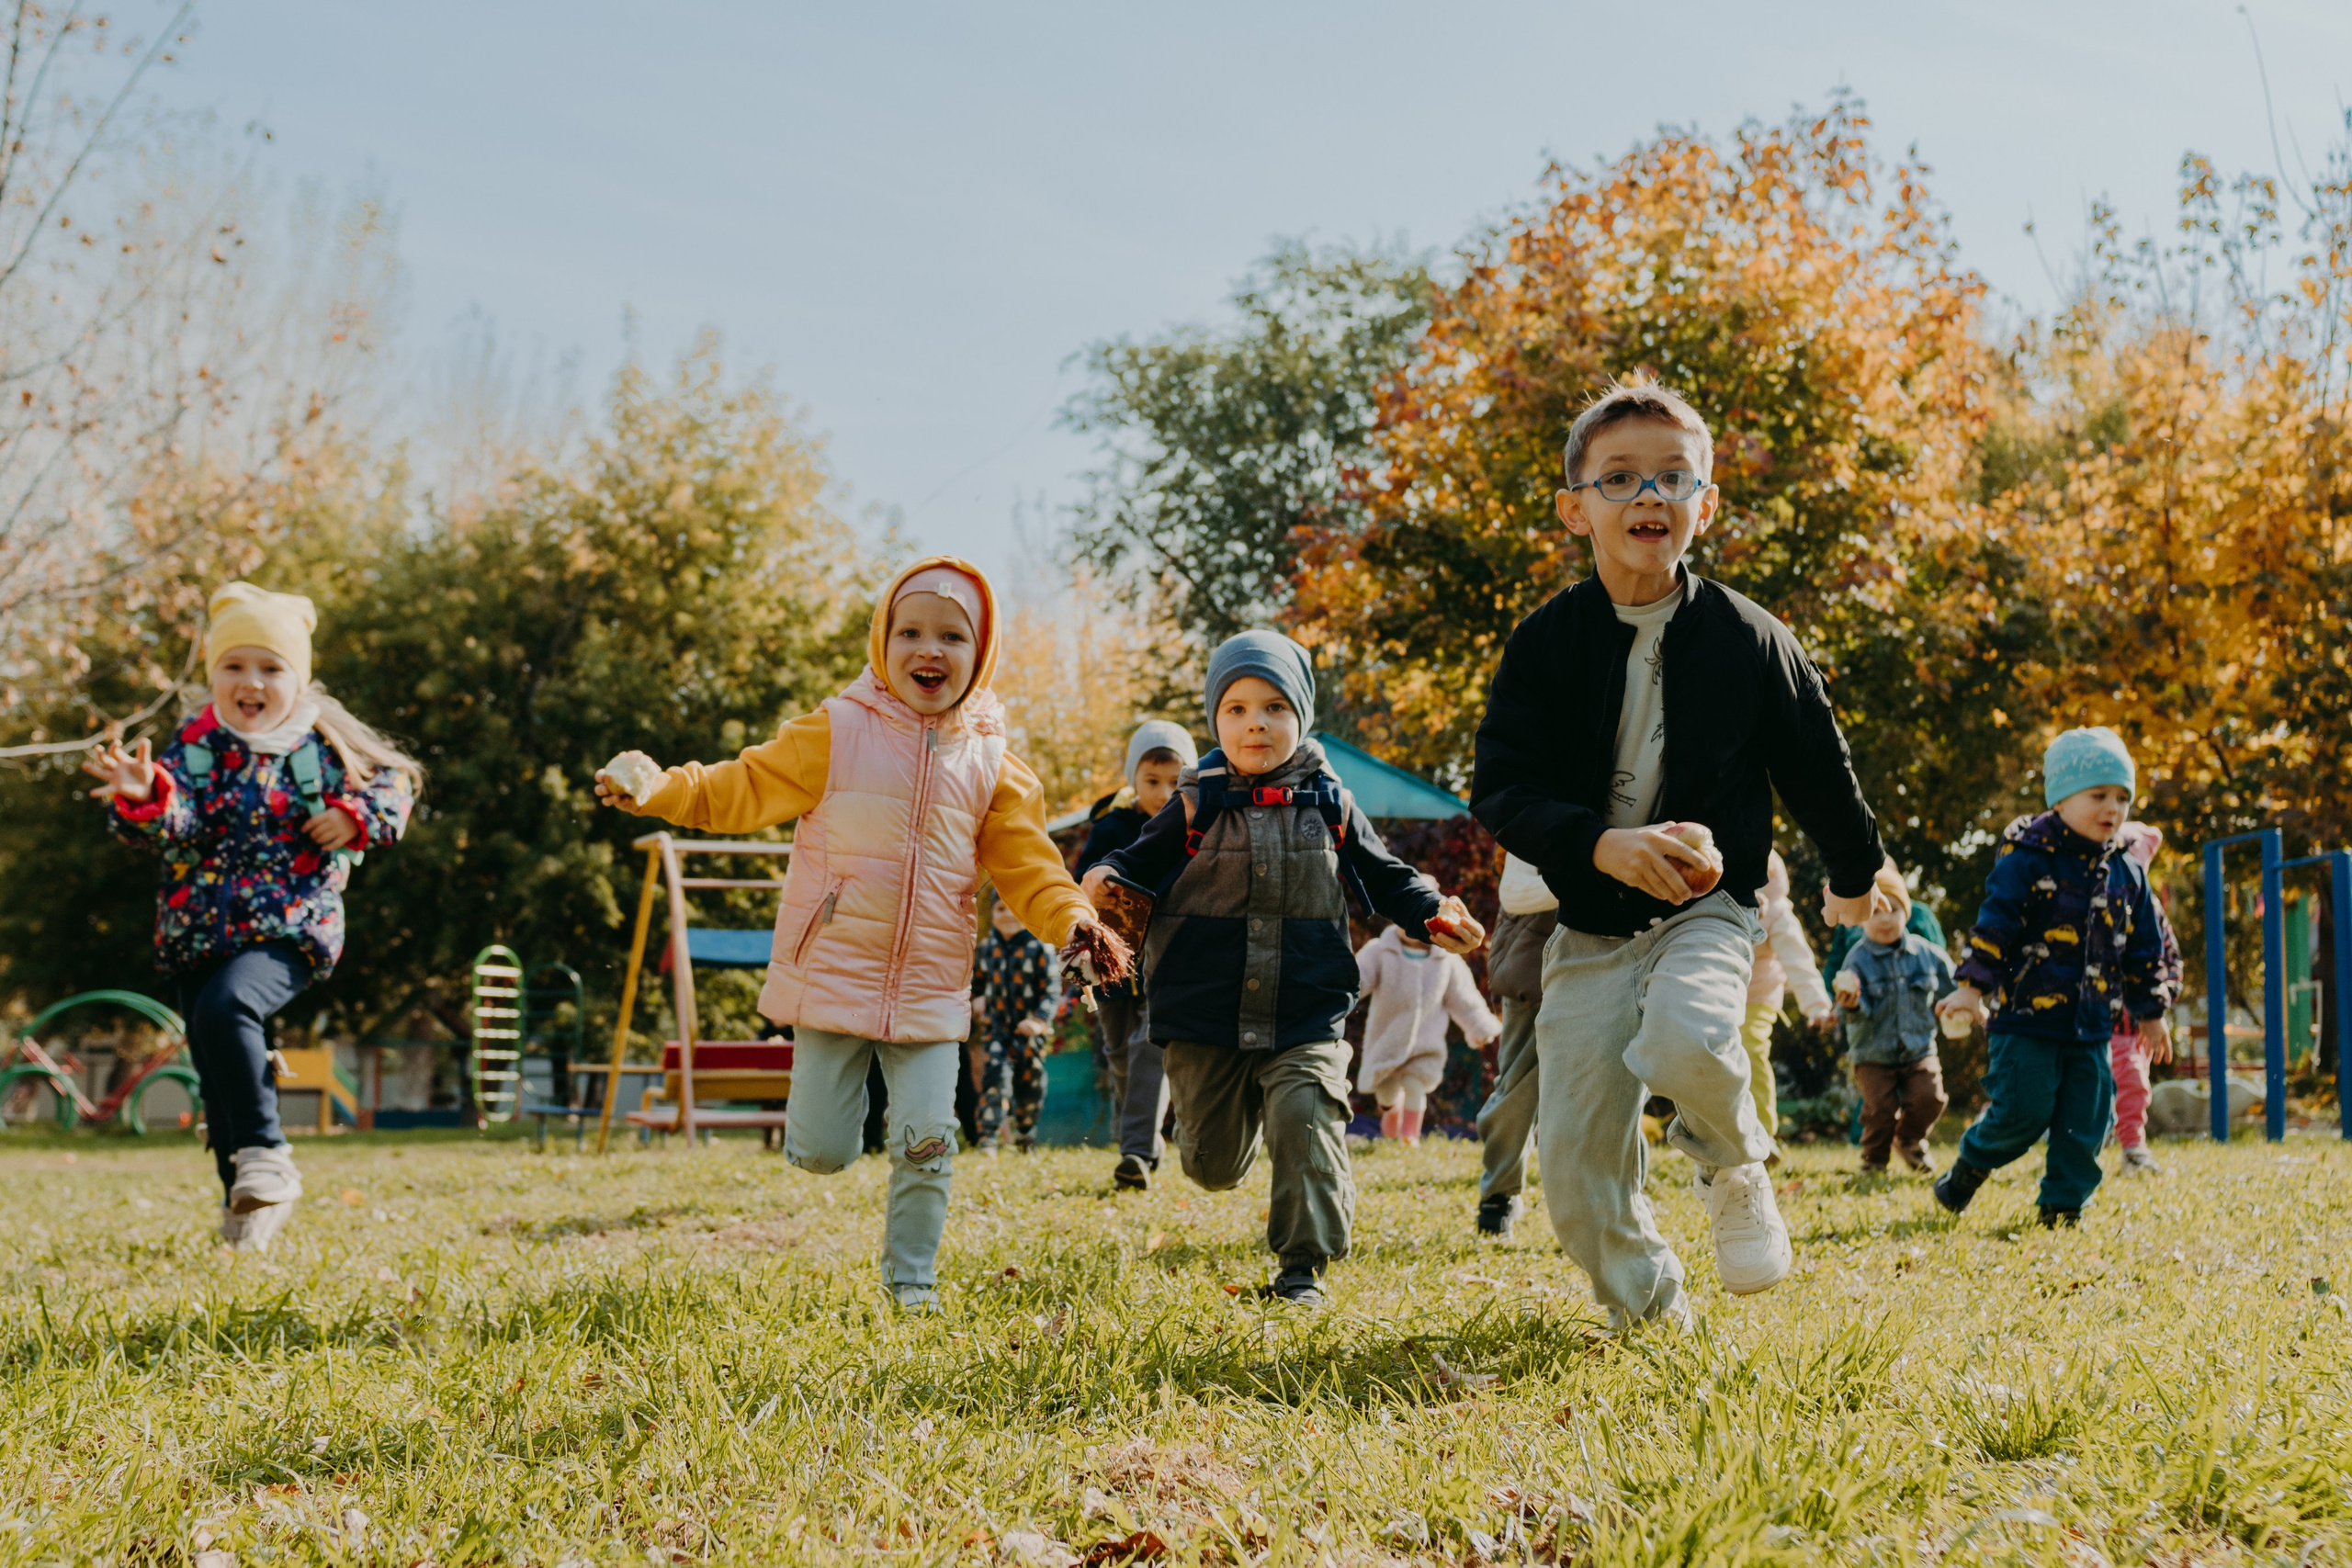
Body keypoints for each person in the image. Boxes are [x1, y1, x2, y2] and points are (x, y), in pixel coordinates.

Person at [1469, 378, 1891, 1330]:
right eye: (1619, 478)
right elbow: (1501, 786)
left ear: (1705, 505)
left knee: (1693, 1037)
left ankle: (1734, 1165)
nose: (1648, 496)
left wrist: (1854, 878)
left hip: (1709, 907)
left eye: (1673, 477)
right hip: (1588, 922)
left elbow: (1819, 765)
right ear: (1573, 508)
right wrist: (1599, 846)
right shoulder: (1543, 646)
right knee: (1575, 1173)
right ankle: (1653, 1312)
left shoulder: (1750, 638)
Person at [596, 556, 1113, 1310]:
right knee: (824, 1151)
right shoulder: (834, 732)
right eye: (909, 631)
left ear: (983, 652)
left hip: (933, 986)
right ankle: (827, 1134)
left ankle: (912, 1284)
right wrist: (662, 787)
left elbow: (1030, 867)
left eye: (951, 636)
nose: (928, 649)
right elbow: (738, 786)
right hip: (836, 970)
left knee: (930, 1141)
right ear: (882, 641)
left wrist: (1073, 921)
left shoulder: (996, 767)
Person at [1083, 630, 1486, 1304]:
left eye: (1273, 706)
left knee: (1306, 1112)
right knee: (1209, 1164)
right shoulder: (1195, 801)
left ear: (1299, 715)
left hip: (1304, 1002)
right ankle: (1227, 1130)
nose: (1255, 723)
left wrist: (1430, 913)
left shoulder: (1330, 802)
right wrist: (1102, 879)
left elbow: (1386, 876)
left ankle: (1303, 1267)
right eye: (1236, 708)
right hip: (1205, 1010)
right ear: (1215, 719)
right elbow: (1132, 864)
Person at [84, 582, 417, 1253]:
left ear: (299, 678)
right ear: (213, 676)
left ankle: (269, 1151)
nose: (251, 682)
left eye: (271, 667)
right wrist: (146, 793)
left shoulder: (320, 746)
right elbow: (176, 815)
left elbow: (394, 785)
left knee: (227, 1008)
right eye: (233, 666)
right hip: (196, 932)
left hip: (291, 925)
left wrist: (353, 816)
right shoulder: (195, 746)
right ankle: (243, 1208)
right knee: (214, 1070)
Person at [1933, 727, 2178, 1226]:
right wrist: (1969, 987)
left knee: (2086, 1122)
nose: (2113, 808)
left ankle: (2064, 1208)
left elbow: (2145, 948)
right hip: (2025, 1021)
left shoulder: (2127, 873)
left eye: (2122, 798)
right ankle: (1968, 1169)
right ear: (2061, 798)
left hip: (2092, 1025)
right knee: (2022, 1115)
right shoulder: (2027, 857)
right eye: (2099, 795)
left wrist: (2151, 1012)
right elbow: (1995, 924)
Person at [1074, 719, 1196, 1189]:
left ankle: (1136, 1153)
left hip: (1167, 955)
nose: (1164, 793)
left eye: (1174, 782)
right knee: (1120, 1052)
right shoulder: (1114, 824)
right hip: (1113, 956)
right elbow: (1084, 876)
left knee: (1150, 1045)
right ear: (1133, 780)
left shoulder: (1193, 828)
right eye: (1152, 781)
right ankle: (1147, 1141)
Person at [1834, 864, 1955, 1174]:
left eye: (1895, 909)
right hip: (1873, 1052)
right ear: (1861, 919)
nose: (1886, 918)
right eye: (1876, 911)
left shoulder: (1926, 953)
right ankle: (1874, 1161)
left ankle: (1910, 1140)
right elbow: (1850, 1011)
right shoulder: (1857, 959)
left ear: (1907, 912)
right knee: (1879, 1110)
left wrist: (1968, 1005)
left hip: (1918, 1047)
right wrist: (1851, 1003)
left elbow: (1954, 986)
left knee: (1931, 1096)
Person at [1353, 919, 1500, 1146]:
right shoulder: (1381, 950)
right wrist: (1335, 996)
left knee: (1415, 1086)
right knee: (1386, 1092)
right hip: (1386, 1038)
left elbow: (1464, 998)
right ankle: (1392, 1112)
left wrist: (1480, 1026)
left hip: (1425, 1042)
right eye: (1404, 918)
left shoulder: (1445, 959)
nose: (1410, 927)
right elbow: (1357, 978)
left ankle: (1409, 1136)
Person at [1474, 854, 1559, 1238]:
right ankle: (1499, 1195)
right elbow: (1518, 893)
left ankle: (1625, 1197)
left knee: (1615, 1089)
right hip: (1532, 964)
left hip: (1612, 959)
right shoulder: (1533, 800)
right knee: (1518, 1089)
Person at [1744, 850, 1837, 1137]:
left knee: (1750, 1049)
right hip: (1717, 993)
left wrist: (1817, 1007)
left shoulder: (1777, 913)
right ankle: (1723, 1132)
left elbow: (1799, 962)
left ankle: (1762, 1133)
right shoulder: (1717, 902)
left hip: (1758, 996)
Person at [2109, 821, 2181, 1173]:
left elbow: (2169, 961)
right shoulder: (2096, 906)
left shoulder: (2151, 913)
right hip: (2094, 1018)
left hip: (2132, 1025)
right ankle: (2085, 1139)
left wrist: (2160, 999)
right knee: (2087, 1086)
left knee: (2133, 1082)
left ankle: (2133, 1146)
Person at [970, 893, 1057, 1151]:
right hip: (997, 1029)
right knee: (995, 1079)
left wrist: (1039, 1020)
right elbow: (976, 983)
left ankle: (1025, 1135)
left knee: (1031, 1085)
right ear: (992, 914)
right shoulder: (987, 948)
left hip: (1030, 1031)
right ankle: (988, 1139)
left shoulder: (1039, 948)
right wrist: (976, 998)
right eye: (1000, 909)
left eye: (1014, 909)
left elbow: (1051, 992)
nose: (1008, 915)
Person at [1819, 855, 1945, 998]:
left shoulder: (1920, 916)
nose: (1885, 918)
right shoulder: (1851, 923)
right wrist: (1832, 999)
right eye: (1875, 912)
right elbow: (1835, 962)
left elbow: (1938, 964)